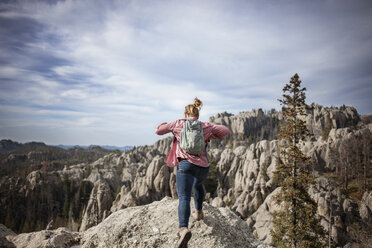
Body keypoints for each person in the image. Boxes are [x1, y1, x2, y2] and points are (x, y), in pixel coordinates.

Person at [155, 98, 230, 248]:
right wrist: (210, 133)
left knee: (184, 196)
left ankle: (183, 228)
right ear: (197, 115)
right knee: (198, 185)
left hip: (186, 165)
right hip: (203, 166)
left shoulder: (178, 124)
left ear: (185, 114)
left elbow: (158, 130)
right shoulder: (205, 126)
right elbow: (225, 131)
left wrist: (167, 125)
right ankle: (199, 212)